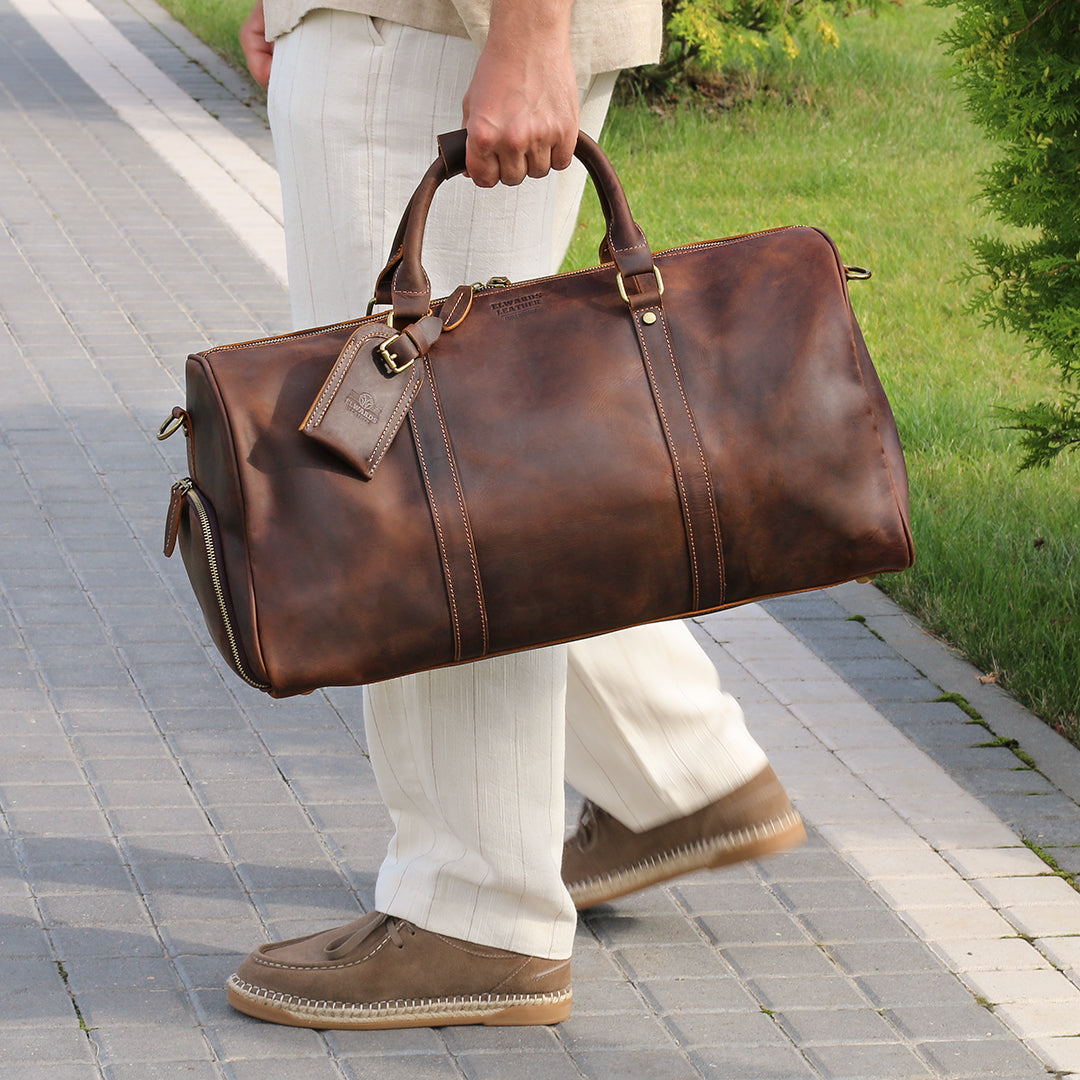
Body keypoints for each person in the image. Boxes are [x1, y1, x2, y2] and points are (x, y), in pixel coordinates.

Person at [228, 0, 805, 1030]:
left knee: (408, 485)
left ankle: (477, 910)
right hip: (415, 25)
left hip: (430, 29)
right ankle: (673, 766)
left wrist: (530, 30)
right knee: (469, 460)